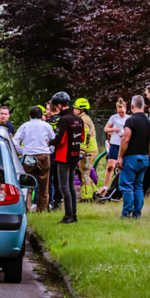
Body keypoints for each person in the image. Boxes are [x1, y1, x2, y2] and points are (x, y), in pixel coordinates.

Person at [48, 92, 83, 224]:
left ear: (59, 105)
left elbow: (60, 140)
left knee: (64, 187)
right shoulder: (78, 119)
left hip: (63, 156)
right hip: (75, 155)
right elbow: (82, 137)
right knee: (71, 187)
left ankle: (68, 216)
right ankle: (74, 215)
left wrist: (50, 142)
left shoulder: (63, 120)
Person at [116, 95, 150, 219]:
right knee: (138, 186)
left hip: (131, 158)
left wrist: (120, 157)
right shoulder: (149, 122)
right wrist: (147, 155)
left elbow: (125, 139)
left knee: (127, 186)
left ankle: (126, 213)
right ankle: (137, 214)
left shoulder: (130, 121)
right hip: (144, 158)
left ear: (131, 106)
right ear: (144, 106)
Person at [12, 105, 54, 212]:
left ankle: (26, 207)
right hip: (43, 156)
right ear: (41, 116)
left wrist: (22, 151)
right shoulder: (47, 126)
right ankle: (42, 209)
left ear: (30, 116)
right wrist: (50, 151)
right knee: (44, 185)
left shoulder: (25, 126)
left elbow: (15, 141)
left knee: (27, 184)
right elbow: (54, 140)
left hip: (29, 157)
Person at [99, 98, 128, 196]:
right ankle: (106, 187)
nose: (121, 114)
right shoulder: (113, 118)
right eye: (119, 112)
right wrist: (113, 129)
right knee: (110, 166)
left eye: (122, 112)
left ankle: (119, 189)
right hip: (115, 144)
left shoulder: (129, 118)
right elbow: (106, 129)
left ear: (126, 109)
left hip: (124, 145)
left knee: (121, 167)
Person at [73, 98, 98, 199]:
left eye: (76, 108)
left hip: (88, 151)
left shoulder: (83, 120)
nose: (74, 110)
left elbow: (85, 136)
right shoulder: (84, 118)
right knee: (84, 171)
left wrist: (82, 150)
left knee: (84, 173)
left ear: (81, 110)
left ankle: (87, 197)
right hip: (90, 150)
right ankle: (96, 192)